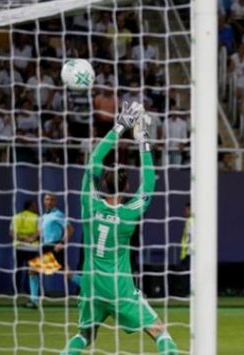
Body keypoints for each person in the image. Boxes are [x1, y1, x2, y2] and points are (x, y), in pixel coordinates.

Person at [62, 102, 178, 354]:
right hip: (119, 288)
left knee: (83, 335)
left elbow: (94, 159)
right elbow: (149, 181)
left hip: (91, 285)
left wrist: (120, 126)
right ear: (126, 188)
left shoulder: (89, 203)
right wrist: (142, 138)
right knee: (160, 332)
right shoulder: (129, 213)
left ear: (103, 181)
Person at [25, 193, 80, 308]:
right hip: (45, 247)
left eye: (52, 199)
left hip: (55, 247)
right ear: (44, 201)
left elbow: (70, 230)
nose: (49, 201)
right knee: (66, 273)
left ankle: (34, 301)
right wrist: (31, 238)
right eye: (47, 199)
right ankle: (34, 301)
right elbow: (40, 231)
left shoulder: (58, 214)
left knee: (34, 271)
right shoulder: (43, 216)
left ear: (55, 202)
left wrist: (61, 243)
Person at [10, 200, 40, 295]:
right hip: (32, 248)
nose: (36, 208)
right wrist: (30, 239)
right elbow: (39, 232)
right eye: (35, 206)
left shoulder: (16, 217)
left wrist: (21, 239)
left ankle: (15, 291)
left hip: (18, 247)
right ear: (30, 207)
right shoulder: (37, 217)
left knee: (17, 269)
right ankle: (30, 291)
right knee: (32, 271)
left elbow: (11, 232)